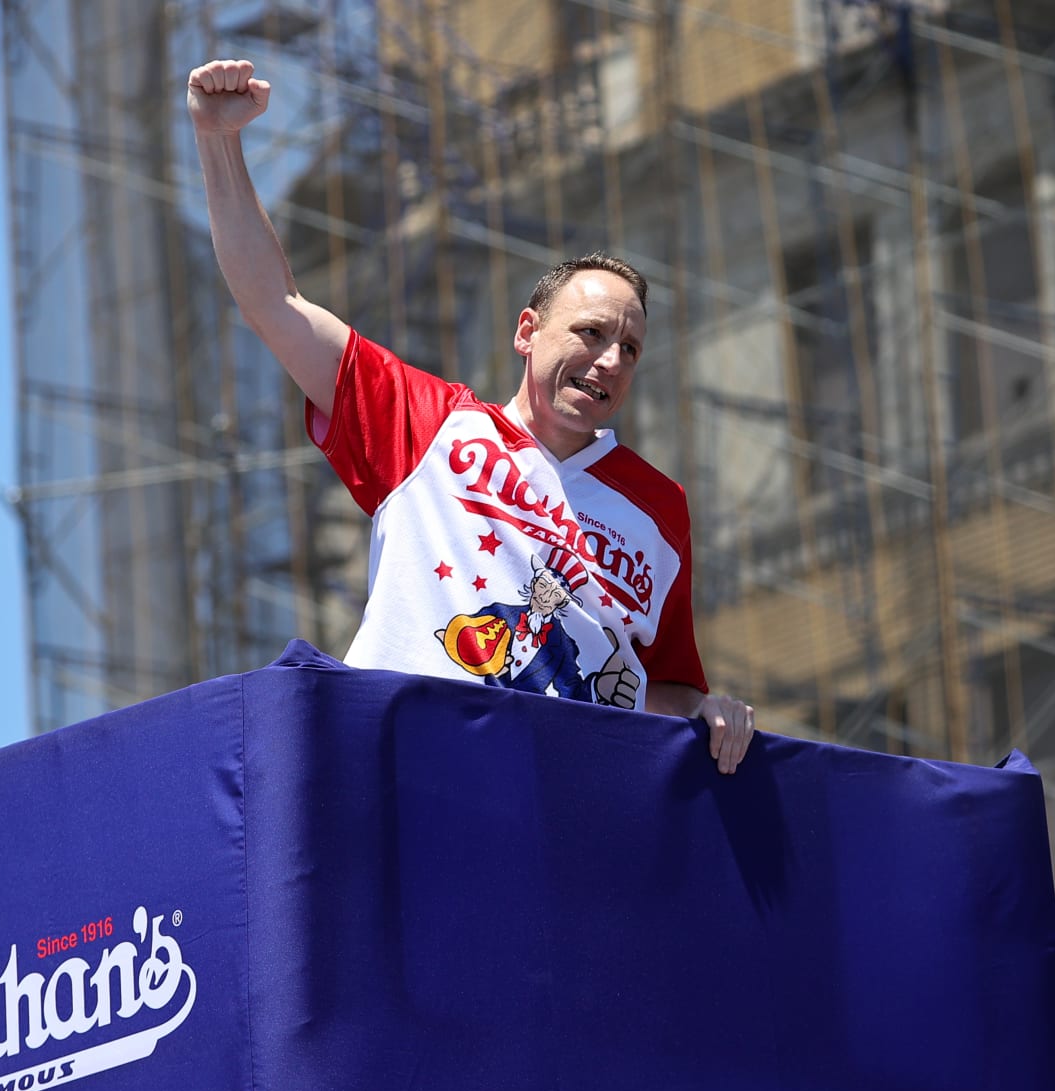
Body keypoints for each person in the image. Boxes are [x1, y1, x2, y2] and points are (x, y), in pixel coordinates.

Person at [187, 58, 756, 773]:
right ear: (527, 332)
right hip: (412, 772)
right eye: (591, 333)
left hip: (564, 807)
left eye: (631, 348)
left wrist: (709, 709)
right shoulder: (429, 424)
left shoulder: (661, 509)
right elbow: (277, 305)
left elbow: (667, 687)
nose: (610, 359)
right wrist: (218, 140)